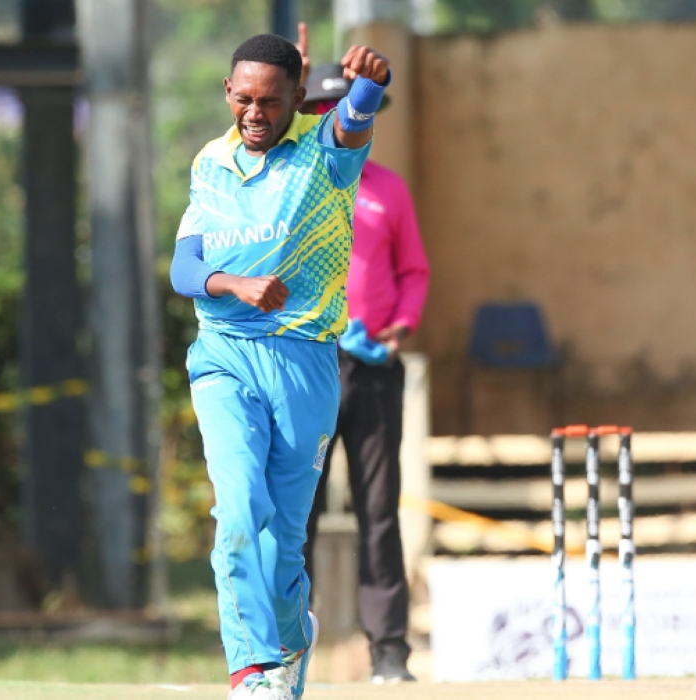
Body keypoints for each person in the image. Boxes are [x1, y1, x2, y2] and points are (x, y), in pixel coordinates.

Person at [168, 32, 393, 700]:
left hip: (304, 364)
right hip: (223, 358)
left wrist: (369, 86)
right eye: (243, 99)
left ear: (299, 98)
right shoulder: (210, 162)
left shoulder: (322, 161)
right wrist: (231, 284)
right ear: (227, 95)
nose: (256, 113)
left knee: (280, 541)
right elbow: (185, 266)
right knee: (237, 512)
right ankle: (251, 669)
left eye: (271, 100)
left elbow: (351, 123)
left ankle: (290, 646)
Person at [297, 61, 431, 685]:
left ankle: (389, 654)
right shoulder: (292, 185)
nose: (339, 120)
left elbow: (414, 272)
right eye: (325, 109)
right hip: (309, 360)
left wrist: (400, 328)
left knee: (379, 509)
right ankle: (284, 646)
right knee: (300, 509)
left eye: (350, 109)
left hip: (373, 366)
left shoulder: (387, 188)